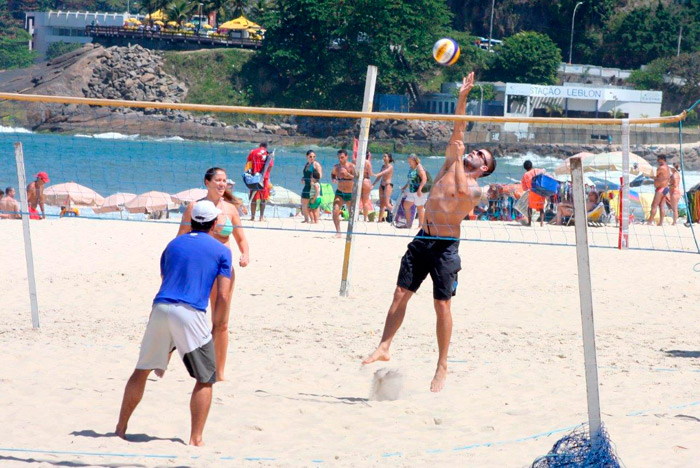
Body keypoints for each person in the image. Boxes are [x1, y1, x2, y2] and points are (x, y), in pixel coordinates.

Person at [363, 72, 496, 393]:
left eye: (480, 156)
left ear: (484, 169)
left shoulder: (476, 189)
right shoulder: (451, 164)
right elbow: (459, 127)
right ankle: (384, 345)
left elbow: (463, 195)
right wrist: (463, 96)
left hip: (446, 247)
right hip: (422, 238)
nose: (474, 153)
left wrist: (462, 156)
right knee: (400, 294)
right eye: (475, 151)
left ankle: (442, 365)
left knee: (441, 305)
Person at [116, 200, 232, 446]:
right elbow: (222, 294)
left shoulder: (173, 245)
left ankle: (120, 428)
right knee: (205, 377)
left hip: (160, 306)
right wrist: (218, 324)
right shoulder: (222, 250)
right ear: (213, 225)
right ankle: (196, 438)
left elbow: (165, 276)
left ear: (192, 222)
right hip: (190, 311)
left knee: (141, 370)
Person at [178, 167, 249, 380]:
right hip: (199, 269)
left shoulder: (231, 210)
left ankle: (219, 372)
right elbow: (180, 238)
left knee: (222, 322)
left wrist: (245, 254)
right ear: (207, 182)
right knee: (189, 317)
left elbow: (241, 239)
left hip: (224, 271)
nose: (222, 184)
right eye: (218, 180)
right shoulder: (194, 208)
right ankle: (171, 357)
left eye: (225, 181)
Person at [331, 149, 356, 237]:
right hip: (340, 192)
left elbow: (357, 179)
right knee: (335, 210)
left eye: (342, 157)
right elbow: (333, 174)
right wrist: (333, 178)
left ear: (346, 157)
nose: (340, 159)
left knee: (351, 214)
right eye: (339, 158)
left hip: (350, 193)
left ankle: (351, 232)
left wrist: (347, 174)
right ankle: (338, 232)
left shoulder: (351, 167)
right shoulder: (336, 167)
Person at [246, 142, 273, 222]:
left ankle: (252, 217)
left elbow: (248, 163)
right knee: (263, 198)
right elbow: (270, 166)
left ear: (259, 146)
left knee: (253, 197)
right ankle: (261, 217)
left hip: (254, 177)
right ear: (266, 147)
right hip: (264, 178)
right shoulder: (268, 154)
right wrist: (267, 174)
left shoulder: (253, 152)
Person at [401, 154, 428, 228]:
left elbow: (424, 179)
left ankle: (420, 225)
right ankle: (409, 224)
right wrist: (404, 187)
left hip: (420, 190)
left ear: (414, 160)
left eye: (410, 161)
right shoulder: (411, 168)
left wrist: (420, 189)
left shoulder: (419, 167)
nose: (408, 162)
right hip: (412, 190)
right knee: (406, 205)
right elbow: (410, 180)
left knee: (420, 207)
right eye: (408, 161)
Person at [521, 160, 545, 227]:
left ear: (525, 168)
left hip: (532, 192)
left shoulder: (525, 175)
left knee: (530, 207)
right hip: (540, 191)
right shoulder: (537, 170)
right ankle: (542, 223)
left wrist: (527, 188)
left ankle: (529, 223)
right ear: (531, 165)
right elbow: (544, 171)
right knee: (541, 207)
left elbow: (524, 187)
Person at [301, 150, 323, 223]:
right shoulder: (306, 164)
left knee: (314, 205)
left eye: (314, 156)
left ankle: (315, 220)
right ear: (307, 156)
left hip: (314, 186)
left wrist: (313, 181)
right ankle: (307, 219)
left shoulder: (316, 165)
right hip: (307, 185)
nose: (312, 158)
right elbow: (305, 174)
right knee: (304, 202)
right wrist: (303, 178)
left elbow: (320, 176)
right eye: (310, 156)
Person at [648, 155, 670, 226]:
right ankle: (661, 223)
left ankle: (650, 222)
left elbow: (655, 176)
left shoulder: (661, 168)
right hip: (665, 188)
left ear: (662, 159)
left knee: (654, 205)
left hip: (661, 188)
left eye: (658, 159)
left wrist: (648, 175)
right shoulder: (667, 167)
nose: (657, 161)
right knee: (661, 205)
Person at [372, 153, 394, 222]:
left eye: (385, 156)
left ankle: (397, 214)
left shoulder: (390, 167)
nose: (384, 158)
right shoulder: (383, 166)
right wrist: (374, 184)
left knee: (387, 203)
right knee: (382, 203)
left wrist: (374, 174)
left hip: (388, 185)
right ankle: (380, 219)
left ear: (389, 158)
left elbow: (384, 172)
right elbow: (380, 176)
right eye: (383, 156)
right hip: (382, 185)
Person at [360, 151, 374, 221]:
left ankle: (355, 217)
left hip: (359, 180)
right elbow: (371, 173)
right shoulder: (367, 162)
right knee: (365, 201)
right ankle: (365, 218)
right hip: (366, 180)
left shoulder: (358, 161)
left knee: (357, 200)